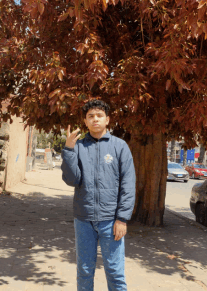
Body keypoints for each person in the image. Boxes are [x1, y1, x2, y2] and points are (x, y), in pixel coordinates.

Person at [61, 99, 136, 291]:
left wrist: (122, 219)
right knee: (84, 271)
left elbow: (128, 185)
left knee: (115, 272)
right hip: (83, 219)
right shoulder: (78, 147)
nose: (95, 120)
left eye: (99, 116)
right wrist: (68, 149)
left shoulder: (120, 147)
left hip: (111, 221)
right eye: (90, 116)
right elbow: (71, 180)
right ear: (85, 122)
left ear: (107, 120)